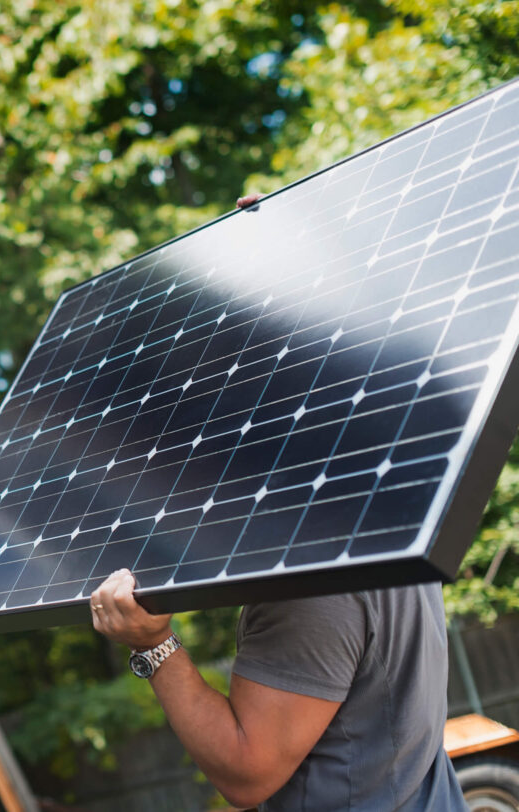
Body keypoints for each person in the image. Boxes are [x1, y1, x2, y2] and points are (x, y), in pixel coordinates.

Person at [88, 194, 468, 811]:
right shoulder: (388, 509)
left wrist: (152, 645)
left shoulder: (312, 576)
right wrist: (276, 244)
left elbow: (248, 771)